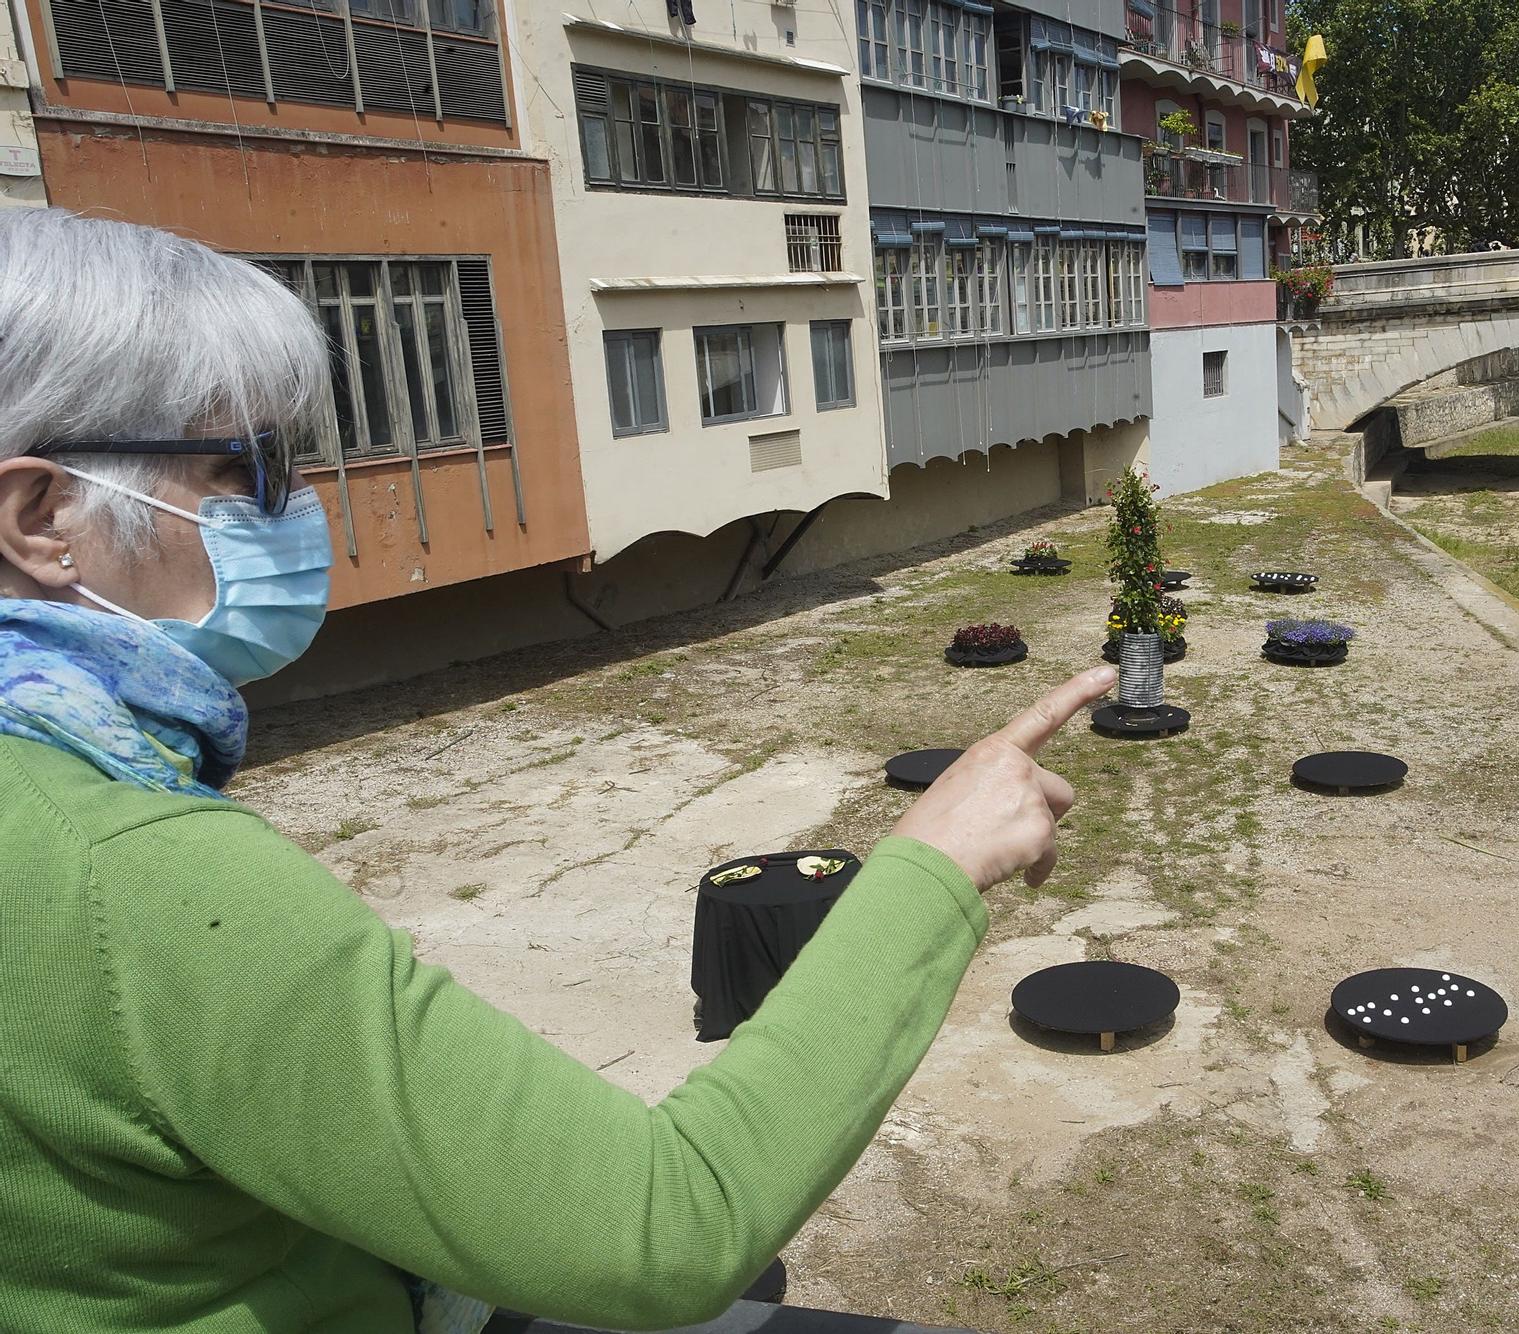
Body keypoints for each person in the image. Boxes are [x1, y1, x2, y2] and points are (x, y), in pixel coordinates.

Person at [0, 207, 1117, 1332]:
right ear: (43, 516)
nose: (297, 511)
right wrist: (930, 862)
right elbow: (663, 1224)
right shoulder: (135, 873)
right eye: (248, 469)